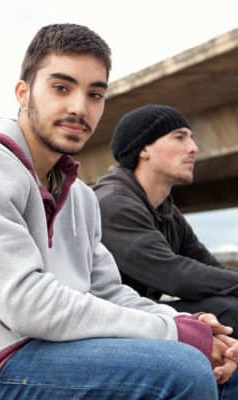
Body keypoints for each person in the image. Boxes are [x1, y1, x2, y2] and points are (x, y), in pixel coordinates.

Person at [0, 26, 238, 400]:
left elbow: (109, 291)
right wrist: (177, 335)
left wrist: (184, 323)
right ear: (23, 92)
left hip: (51, 345)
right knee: (183, 370)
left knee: (229, 361)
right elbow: (26, 304)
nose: (80, 107)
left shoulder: (80, 196)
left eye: (95, 94)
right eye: (61, 88)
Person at [94, 104, 238, 339]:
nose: (193, 148)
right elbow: (176, 276)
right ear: (144, 149)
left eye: (191, 139)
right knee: (230, 312)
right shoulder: (113, 204)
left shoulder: (166, 210)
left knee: (228, 300)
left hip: (141, 313)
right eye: (179, 137)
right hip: (102, 323)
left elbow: (210, 269)